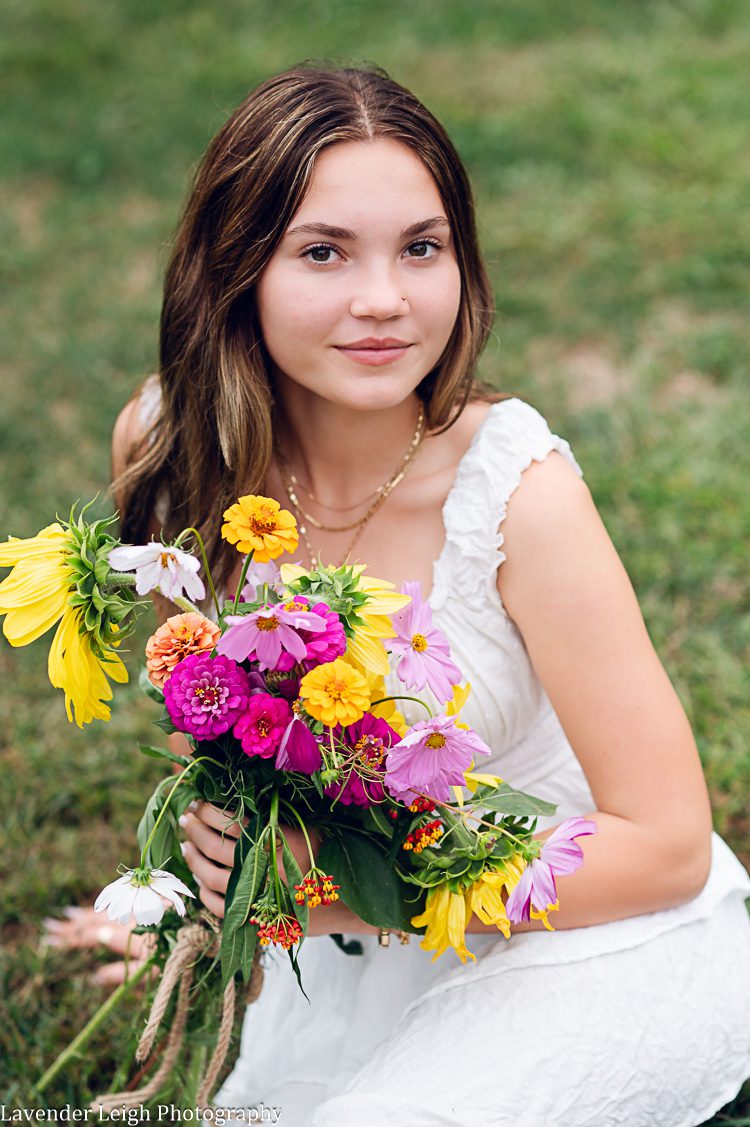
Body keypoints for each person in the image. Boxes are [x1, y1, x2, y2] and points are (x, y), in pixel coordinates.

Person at [50, 64, 750, 1125]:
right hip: (359, 952)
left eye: (422, 248)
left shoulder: (520, 495)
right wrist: (218, 886)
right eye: (323, 251)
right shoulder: (169, 447)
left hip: (588, 931)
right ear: (233, 269)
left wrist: (332, 885)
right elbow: (229, 734)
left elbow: (665, 844)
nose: (385, 298)